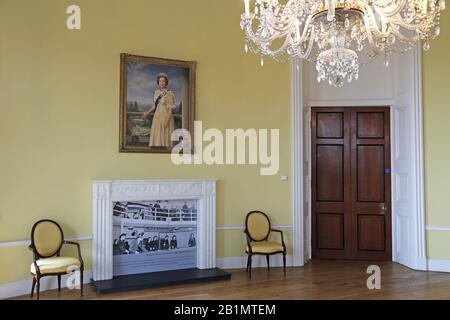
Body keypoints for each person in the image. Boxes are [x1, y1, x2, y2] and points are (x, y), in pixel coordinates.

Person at [142, 73, 176, 148]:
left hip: (165, 116)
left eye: (163, 81)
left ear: (166, 82)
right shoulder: (156, 92)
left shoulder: (169, 93)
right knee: (157, 138)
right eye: (160, 81)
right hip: (157, 116)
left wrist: (167, 120)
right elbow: (155, 105)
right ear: (158, 82)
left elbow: (170, 108)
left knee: (165, 136)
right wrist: (147, 112)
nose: (161, 82)